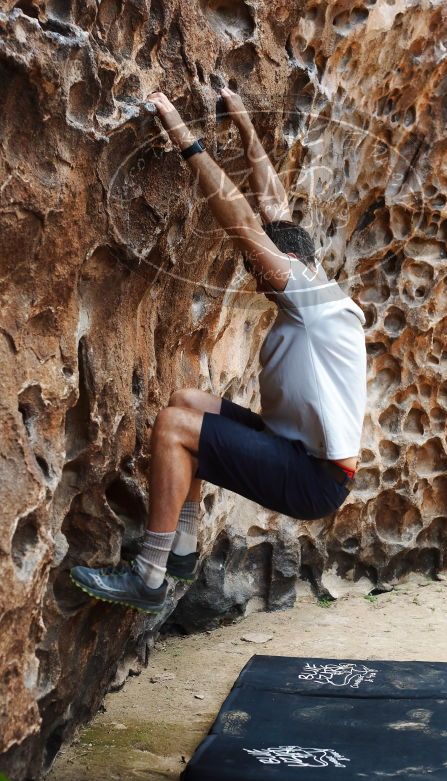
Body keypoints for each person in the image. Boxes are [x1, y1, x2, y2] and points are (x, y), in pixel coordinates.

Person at [70, 88, 367, 614]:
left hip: (313, 479)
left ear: (282, 265)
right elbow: (274, 209)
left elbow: (243, 225)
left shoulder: (306, 296)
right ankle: (181, 547)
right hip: (299, 453)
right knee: (188, 400)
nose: (253, 276)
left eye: (260, 268)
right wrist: (248, 127)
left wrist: (185, 138)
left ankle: (150, 576)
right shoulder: (315, 282)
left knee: (173, 428)